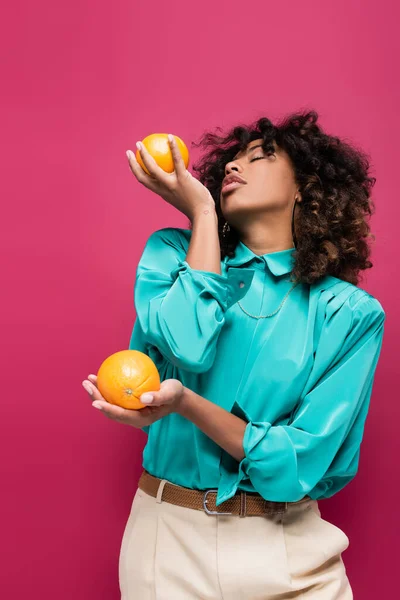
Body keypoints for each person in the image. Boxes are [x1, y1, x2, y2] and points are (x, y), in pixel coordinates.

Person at [82, 110, 386, 599]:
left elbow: (298, 462)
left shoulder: (349, 313)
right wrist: (202, 214)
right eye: (231, 161)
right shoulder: (169, 256)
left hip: (290, 550)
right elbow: (191, 346)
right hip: (168, 543)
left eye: (260, 156)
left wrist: (186, 405)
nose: (233, 168)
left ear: (304, 188)